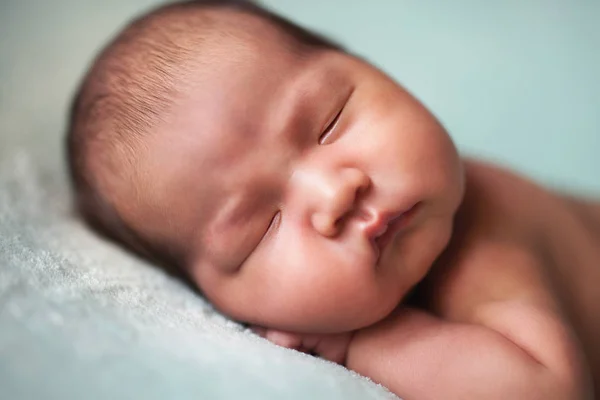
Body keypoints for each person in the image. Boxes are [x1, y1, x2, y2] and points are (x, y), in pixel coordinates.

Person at [66, 1, 600, 398]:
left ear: (371, 68)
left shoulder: (488, 228)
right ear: (220, 305)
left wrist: (363, 346)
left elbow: (548, 391)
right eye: (262, 228)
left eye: (330, 122)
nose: (336, 192)